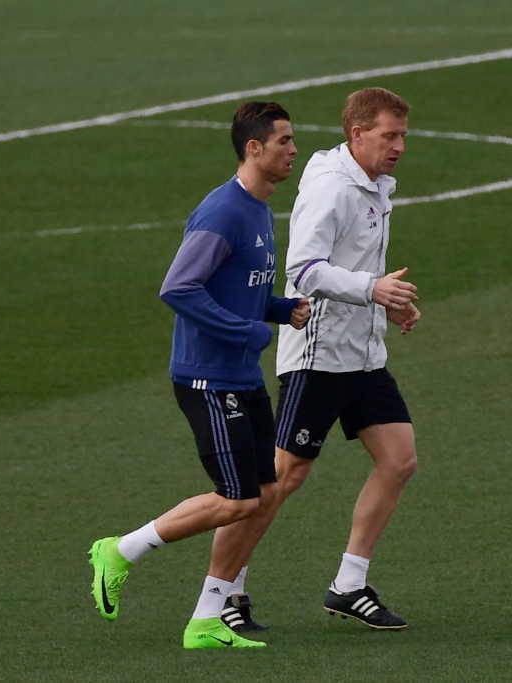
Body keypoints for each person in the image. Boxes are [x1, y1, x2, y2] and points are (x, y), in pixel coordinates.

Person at [87, 101, 310, 650]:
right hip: (208, 379)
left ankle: (207, 619)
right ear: (253, 148)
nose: (293, 149)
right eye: (283, 140)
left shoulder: (260, 208)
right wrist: (250, 332)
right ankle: (119, 550)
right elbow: (179, 287)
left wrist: (281, 311)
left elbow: (242, 287)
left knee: (262, 493)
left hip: (241, 377)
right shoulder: (224, 212)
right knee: (235, 499)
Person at [212, 87, 420, 631]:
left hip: (362, 353)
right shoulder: (332, 188)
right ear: (357, 134)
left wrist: (387, 305)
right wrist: (372, 290)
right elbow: (304, 270)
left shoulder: (372, 183)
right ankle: (227, 592)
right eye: (388, 135)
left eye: (402, 135)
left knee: (399, 459)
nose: (398, 146)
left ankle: (349, 584)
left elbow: (358, 268)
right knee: (280, 478)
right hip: (319, 354)